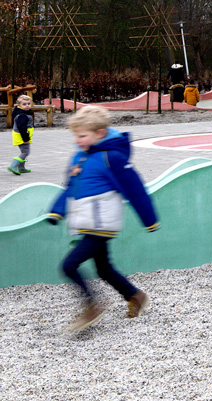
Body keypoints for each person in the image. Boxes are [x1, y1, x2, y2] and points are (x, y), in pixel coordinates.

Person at [46, 106, 160, 332]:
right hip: (87, 223)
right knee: (104, 269)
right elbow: (71, 187)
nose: (77, 140)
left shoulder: (112, 158)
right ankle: (135, 295)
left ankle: (92, 306)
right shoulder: (80, 157)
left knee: (69, 266)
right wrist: (56, 211)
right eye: (76, 136)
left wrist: (150, 220)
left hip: (101, 224)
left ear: (100, 133)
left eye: (82, 136)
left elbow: (135, 189)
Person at [7, 94, 33, 175]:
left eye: (28, 103)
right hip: (22, 137)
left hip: (21, 136)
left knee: (24, 151)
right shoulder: (22, 115)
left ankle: (21, 167)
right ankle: (13, 165)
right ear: (19, 105)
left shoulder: (21, 112)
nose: (27, 105)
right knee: (25, 152)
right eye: (24, 104)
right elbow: (22, 128)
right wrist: (26, 139)